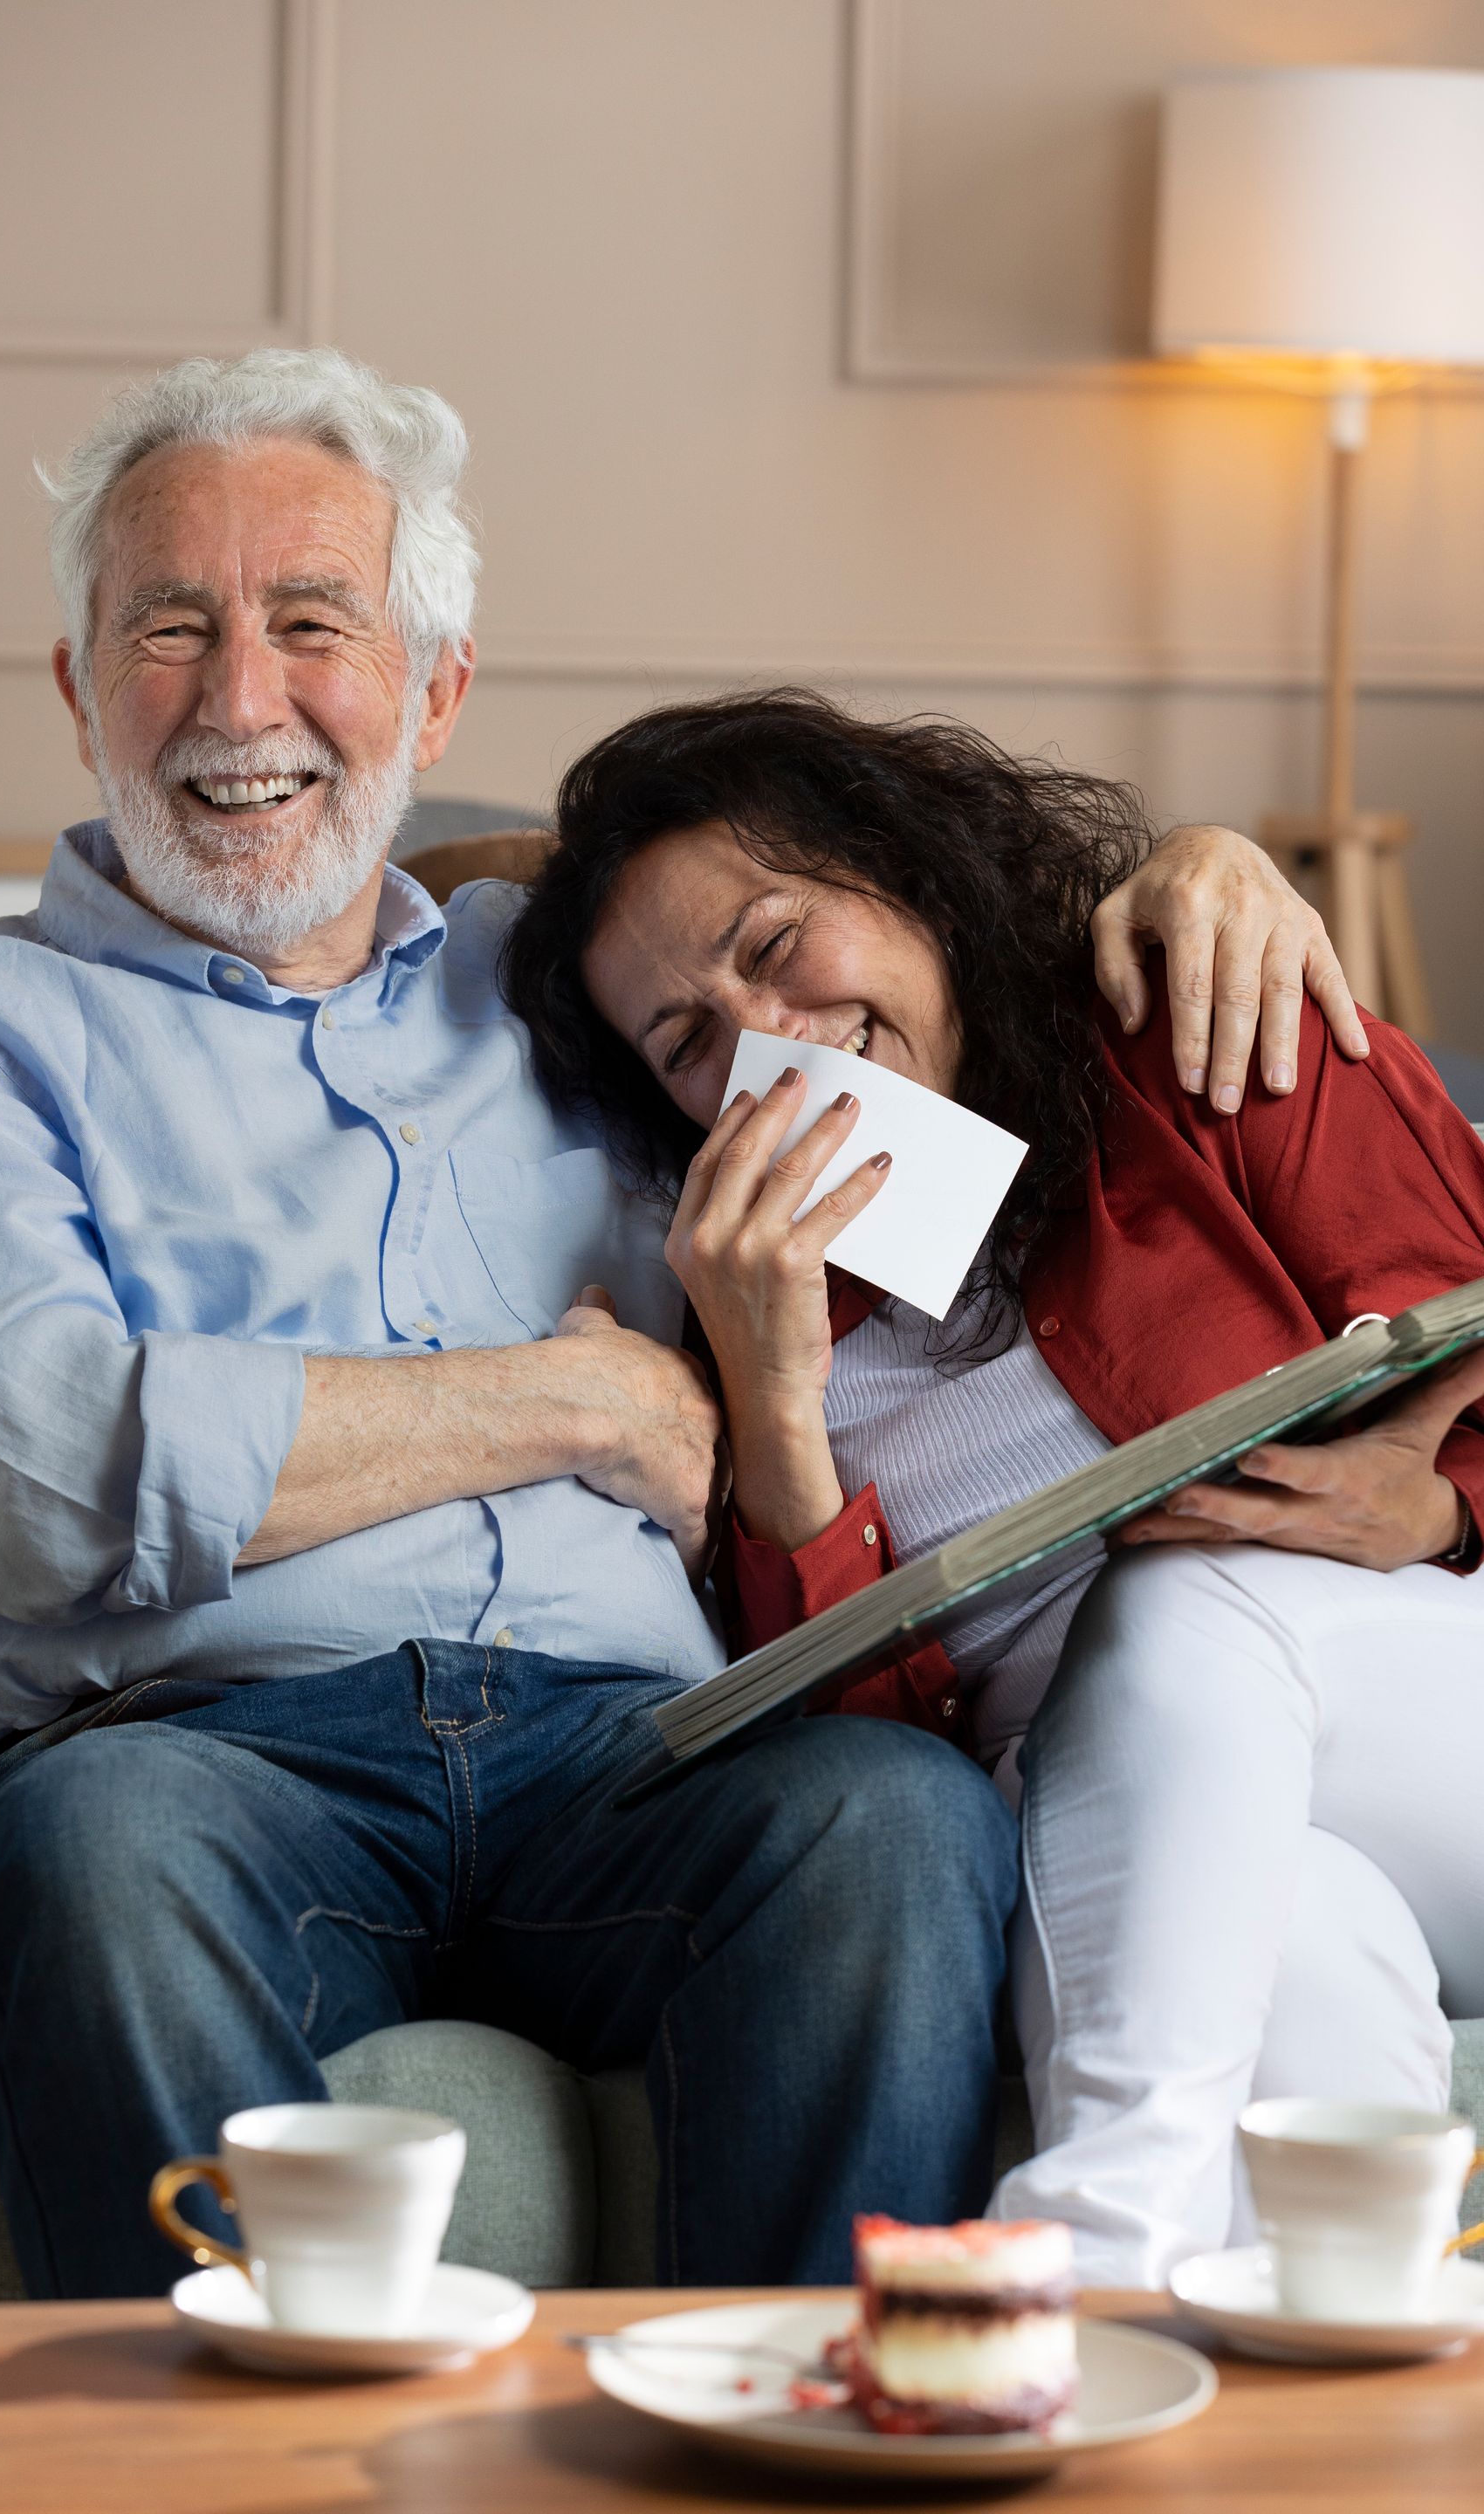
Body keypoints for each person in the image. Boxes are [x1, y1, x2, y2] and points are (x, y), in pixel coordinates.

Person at [0, 351, 1343, 2298]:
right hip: (178, 1749)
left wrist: (1181, 866)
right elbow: (25, 1466)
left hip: (635, 1753)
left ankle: (781, 2459)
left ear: (436, 691)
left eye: (312, 625)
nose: (240, 699)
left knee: (883, 1821)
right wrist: (572, 1400)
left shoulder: (580, 976)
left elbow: (902, 953)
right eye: (168, 628)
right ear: (79, 687)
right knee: (94, 1859)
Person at [502, 687, 1484, 2287]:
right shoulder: (745, 1318)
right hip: (1161, 1834)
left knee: (1185, 1579)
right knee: (1291, 1967)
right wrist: (777, 1398)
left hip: (1435, 1713)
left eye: (774, 945)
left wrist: (1438, 1504)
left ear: (905, 873)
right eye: (689, 1043)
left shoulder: (1204, 1030)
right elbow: (877, 1803)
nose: (766, 1042)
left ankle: (1084, 2248)